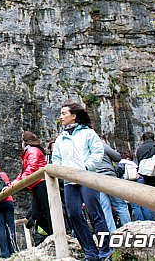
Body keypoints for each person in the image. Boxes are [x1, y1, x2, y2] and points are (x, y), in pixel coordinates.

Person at [52, 100, 111, 261]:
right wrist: (62, 172)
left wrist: (86, 167)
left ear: (74, 116)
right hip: (69, 181)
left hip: (87, 178)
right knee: (74, 215)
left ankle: (105, 251)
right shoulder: (60, 139)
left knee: (95, 214)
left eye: (64, 113)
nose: (61, 117)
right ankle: (90, 252)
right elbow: (56, 159)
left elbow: (97, 153)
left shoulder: (88, 133)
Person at [11, 131, 52, 244]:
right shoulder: (29, 152)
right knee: (36, 214)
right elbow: (25, 170)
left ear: (25, 141)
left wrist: (21, 180)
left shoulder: (32, 150)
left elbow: (32, 167)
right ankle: (52, 232)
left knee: (47, 210)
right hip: (36, 184)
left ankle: (56, 233)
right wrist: (14, 182)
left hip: (42, 182)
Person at [97, 137, 131, 230]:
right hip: (109, 177)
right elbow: (117, 157)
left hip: (95, 180)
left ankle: (112, 233)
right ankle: (128, 229)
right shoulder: (102, 146)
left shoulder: (86, 149)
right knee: (120, 205)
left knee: (105, 208)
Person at [116, 149, 153, 221]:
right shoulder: (134, 162)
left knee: (135, 205)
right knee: (144, 204)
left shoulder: (122, 163)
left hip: (130, 185)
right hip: (140, 183)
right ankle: (149, 220)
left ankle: (140, 222)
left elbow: (119, 173)